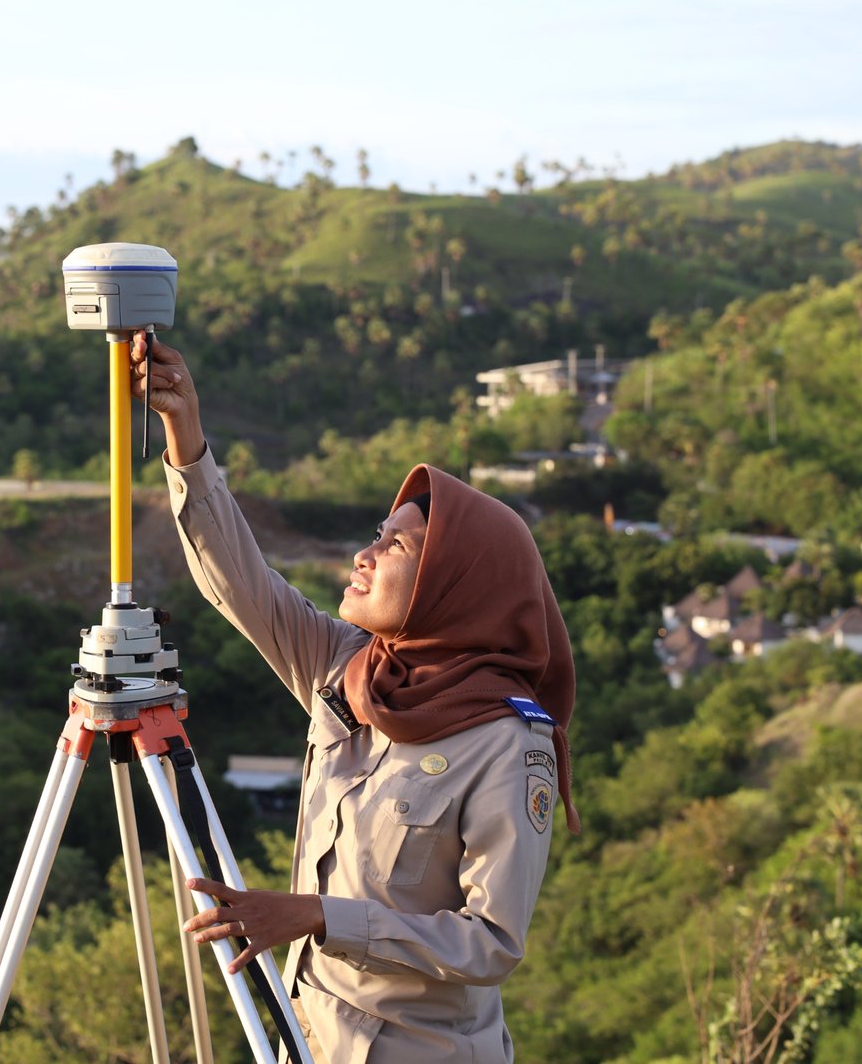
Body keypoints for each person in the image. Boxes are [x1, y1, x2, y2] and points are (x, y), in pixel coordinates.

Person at [129, 330, 578, 1064]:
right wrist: (186, 437)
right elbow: (243, 587)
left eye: (396, 547)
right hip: (310, 1041)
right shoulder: (348, 668)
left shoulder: (505, 740)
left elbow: (492, 943)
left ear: (454, 586)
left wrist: (317, 916)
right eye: (378, 533)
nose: (365, 555)